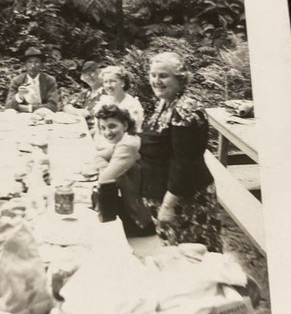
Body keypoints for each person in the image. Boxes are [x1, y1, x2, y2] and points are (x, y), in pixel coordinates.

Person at [139, 52, 222, 251]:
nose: (156, 81)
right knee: (173, 256)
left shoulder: (186, 110)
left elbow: (185, 163)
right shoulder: (164, 102)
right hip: (161, 194)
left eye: (163, 76)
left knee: (191, 258)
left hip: (185, 202)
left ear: (180, 79)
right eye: (153, 75)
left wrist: (168, 207)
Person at [94, 105, 152, 235]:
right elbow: (98, 156)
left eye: (112, 126)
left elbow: (105, 178)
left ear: (125, 125)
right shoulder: (126, 139)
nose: (107, 132)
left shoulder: (128, 145)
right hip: (133, 205)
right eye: (103, 128)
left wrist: (108, 171)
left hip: (140, 218)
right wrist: (108, 168)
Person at [5, 47, 59, 113]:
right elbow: (8, 106)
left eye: (37, 62)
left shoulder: (49, 80)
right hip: (22, 116)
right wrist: (19, 96)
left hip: (43, 114)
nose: (33, 66)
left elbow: (53, 106)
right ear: (25, 64)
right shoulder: (17, 81)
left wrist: (27, 108)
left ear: (41, 65)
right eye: (29, 62)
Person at [95, 66, 144, 131]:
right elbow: (98, 129)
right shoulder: (104, 101)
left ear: (123, 83)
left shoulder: (132, 105)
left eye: (112, 81)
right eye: (105, 82)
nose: (108, 86)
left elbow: (133, 131)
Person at [62, 61, 104, 127]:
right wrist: (79, 112)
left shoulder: (106, 94)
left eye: (92, 73)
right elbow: (67, 107)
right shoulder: (86, 93)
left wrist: (85, 114)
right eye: (86, 74)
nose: (88, 77)